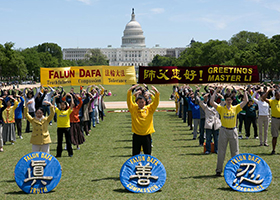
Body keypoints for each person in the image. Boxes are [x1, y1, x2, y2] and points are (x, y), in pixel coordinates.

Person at [210, 86, 248, 176]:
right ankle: (219, 170)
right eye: (227, 100)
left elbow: (245, 101)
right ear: (225, 100)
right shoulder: (221, 108)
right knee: (221, 151)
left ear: (232, 100)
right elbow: (211, 102)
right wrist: (215, 91)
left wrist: (245, 91)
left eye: (230, 100)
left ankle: (236, 170)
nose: (229, 101)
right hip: (223, 130)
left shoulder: (235, 108)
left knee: (235, 152)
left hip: (233, 131)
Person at [127, 84, 160, 156]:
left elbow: (155, 103)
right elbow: (129, 102)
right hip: (137, 135)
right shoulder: (133, 109)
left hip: (146, 136)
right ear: (137, 102)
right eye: (139, 102)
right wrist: (130, 91)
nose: (141, 104)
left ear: (145, 103)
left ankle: (147, 167)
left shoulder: (149, 109)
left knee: (148, 155)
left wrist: (156, 93)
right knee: (135, 155)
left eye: (142, 102)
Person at [53, 93, 74, 157]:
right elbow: (53, 105)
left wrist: (71, 96)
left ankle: (70, 153)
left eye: (63, 105)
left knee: (68, 141)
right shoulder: (58, 111)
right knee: (59, 142)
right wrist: (54, 98)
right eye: (61, 105)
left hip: (67, 128)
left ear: (66, 106)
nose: (62, 106)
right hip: (60, 128)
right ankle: (58, 154)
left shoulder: (68, 111)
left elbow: (72, 104)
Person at [263, 88, 280, 154]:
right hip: (275, 119)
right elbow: (264, 98)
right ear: (275, 96)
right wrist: (268, 91)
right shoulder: (272, 101)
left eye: (279, 95)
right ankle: (273, 150)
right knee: (274, 136)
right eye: (277, 95)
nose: (279, 96)